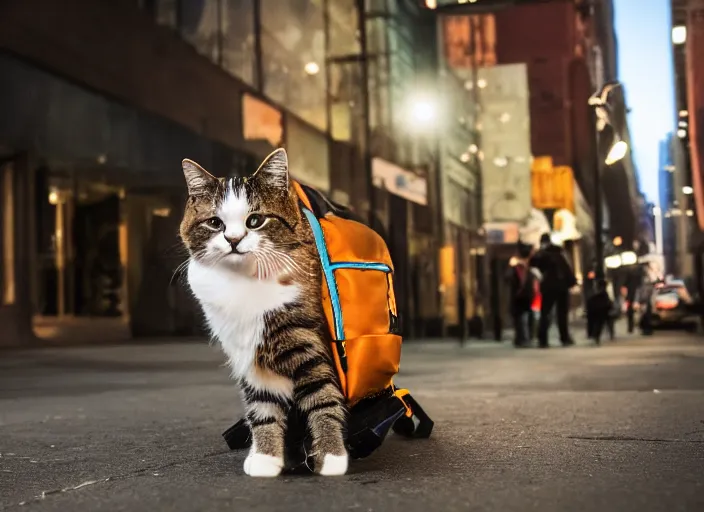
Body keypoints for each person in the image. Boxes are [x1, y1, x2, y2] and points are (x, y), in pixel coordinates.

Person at [530, 233, 577, 348]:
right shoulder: (559, 252)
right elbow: (567, 268)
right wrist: (571, 282)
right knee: (562, 314)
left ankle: (543, 339)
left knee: (545, 313)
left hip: (548, 287)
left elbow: (533, 263)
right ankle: (564, 338)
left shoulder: (542, 254)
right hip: (562, 286)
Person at [506, 241, 535, 347]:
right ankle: (523, 338)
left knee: (521, 318)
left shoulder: (520, 267)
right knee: (522, 318)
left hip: (521, 296)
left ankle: (523, 338)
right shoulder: (523, 267)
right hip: (522, 296)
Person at [586, 279, 614, 344]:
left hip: (597, 312)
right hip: (601, 312)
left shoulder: (593, 294)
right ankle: (596, 335)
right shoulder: (604, 295)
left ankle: (594, 335)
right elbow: (609, 304)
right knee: (599, 321)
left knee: (597, 321)